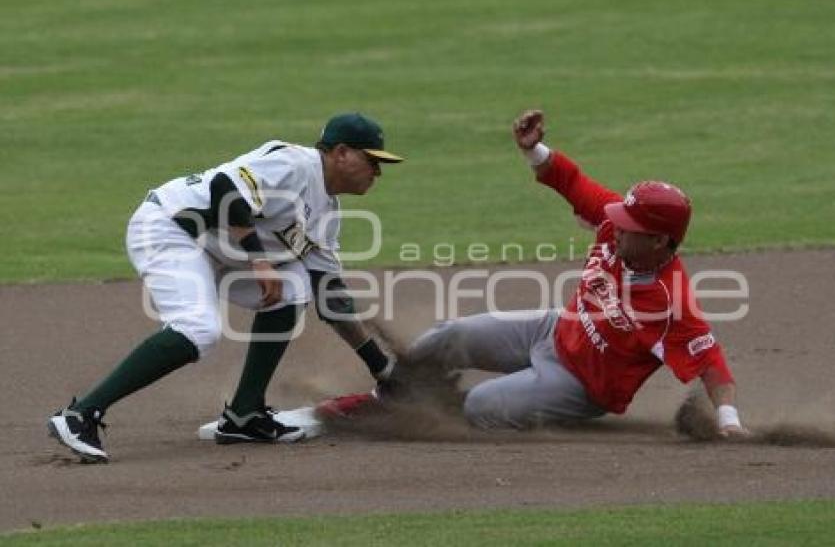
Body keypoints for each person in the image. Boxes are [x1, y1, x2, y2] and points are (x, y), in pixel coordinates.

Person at [48, 113, 404, 463]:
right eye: (371, 160)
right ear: (341, 152)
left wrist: (382, 369)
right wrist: (261, 262)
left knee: (297, 286)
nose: (377, 172)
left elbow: (331, 299)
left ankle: (243, 415)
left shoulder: (327, 216)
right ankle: (80, 415)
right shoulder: (295, 164)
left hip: (217, 249)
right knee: (198, 329)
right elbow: (224, 188)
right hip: (170, 229)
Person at [401, 109, 747, 437]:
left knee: (481, 406)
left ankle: (435, 414)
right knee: (450, 335)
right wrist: (534, 149)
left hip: (580, 384)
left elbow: (711, 361)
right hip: (554, 329)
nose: (617, 227)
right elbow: (572, 181)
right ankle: (385, 394)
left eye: (629, 225)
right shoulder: (616, 223)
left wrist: (728, 421)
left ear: (658, 240)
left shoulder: (670, 302)